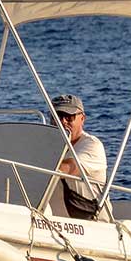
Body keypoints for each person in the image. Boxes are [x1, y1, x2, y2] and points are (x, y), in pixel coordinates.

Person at [49, 93, 108, 221]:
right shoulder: (46, 146)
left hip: (90, 224)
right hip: (53, 222)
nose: (63, 122)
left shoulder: (92, 145)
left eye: (69, 117)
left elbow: (70, 168)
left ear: (82, 118)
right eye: (57, 116)